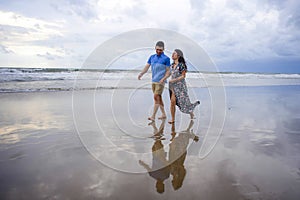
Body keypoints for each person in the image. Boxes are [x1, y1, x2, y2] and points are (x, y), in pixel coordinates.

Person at [138, 41, 171, 121]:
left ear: (163, 49)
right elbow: (147, 67)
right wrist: (141, 74)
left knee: (155, 96)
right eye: (157, 49)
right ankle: (163, 114)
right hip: (154, 80)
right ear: (155, 48)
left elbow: (168, 71)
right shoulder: (152, 57)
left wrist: (163, 79)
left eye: (160, 50)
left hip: (161, 81)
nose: (159, 51)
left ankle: (153, 116)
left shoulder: (166, 59)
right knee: (158, 98)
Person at [168, 49, 200, 124]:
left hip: (181, 86)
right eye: (172, 53)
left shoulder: (181, 65)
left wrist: (174, 80)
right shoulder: (171, 65)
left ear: (178, 55)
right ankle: (173, 119)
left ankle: (191, 112)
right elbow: (170, 74)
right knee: (172, 102)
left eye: (174, 53)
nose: (172, 54)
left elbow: (183, 76)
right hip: (172, 86)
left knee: (184, 103)